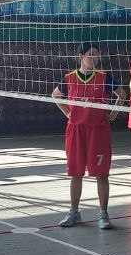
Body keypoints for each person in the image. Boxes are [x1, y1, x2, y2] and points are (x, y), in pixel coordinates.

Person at [51, 42, 126, 229]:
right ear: (81, 56)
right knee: (75, 173)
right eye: (90, 54)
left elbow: (122, 94)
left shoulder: (105, 77)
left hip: (98, 130)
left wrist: (114, 114)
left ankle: (103, 214)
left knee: (101, 174)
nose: (94, 58)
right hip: (76, 130)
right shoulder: (69, 78)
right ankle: (74, 213)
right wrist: (68, 113)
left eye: (97, 55)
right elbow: (55, 95)